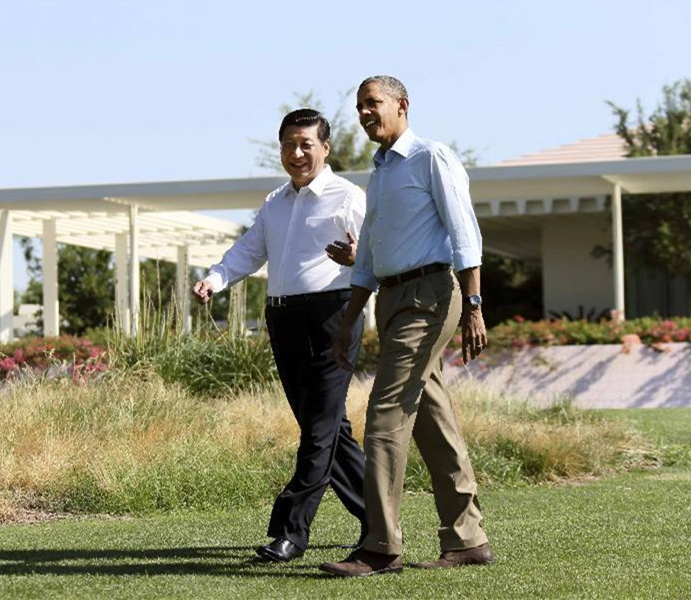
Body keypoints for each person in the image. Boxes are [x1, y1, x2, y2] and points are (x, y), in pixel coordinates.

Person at [319, 76, 493, 577]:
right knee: (433, 420)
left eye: (373, 103)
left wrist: (475, 305)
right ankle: (468, 538)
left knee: (386, 412)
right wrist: (350, 318)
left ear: (402, 105)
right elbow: (368, 254)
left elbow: (464, 233)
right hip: (393, 299)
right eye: (359, 106)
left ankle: (380, 547)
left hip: (430, 296)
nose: (364, 113)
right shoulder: (380, 172)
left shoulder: (431, 157)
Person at [192, 108, 368, 563]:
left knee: (319, 431)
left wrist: (359, 257)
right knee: (326, 429)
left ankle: (291, 531)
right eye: (289, 145)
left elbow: (378, 254)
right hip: (284, 320)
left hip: (334, 317)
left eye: (306, 144)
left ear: (325, 148)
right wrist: (216, 278)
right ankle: (379, 519)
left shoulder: (349, 197)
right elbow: (250, 250)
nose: (297, 153)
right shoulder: (275, 201)